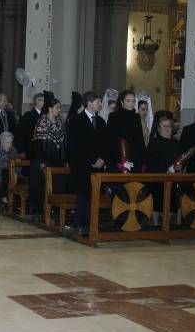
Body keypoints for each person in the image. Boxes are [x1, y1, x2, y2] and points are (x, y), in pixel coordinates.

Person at [66, 91, 108, 234]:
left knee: (94, 196)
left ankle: (92, 224)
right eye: (98, 102)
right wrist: (91, 160)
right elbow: (76, 145)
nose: (101, 104)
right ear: (89, 103)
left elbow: (105, 144)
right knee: (82, 196)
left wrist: (103, 158)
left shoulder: (101, 122)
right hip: (82, 165)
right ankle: (79, 224)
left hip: (98, 166)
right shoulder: (76, 120)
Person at [29, 92, 66, 216]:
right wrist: (42, 162)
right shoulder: (42, 122)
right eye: (57, 108)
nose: (59, 110)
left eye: (60, 108)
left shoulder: (60, 122)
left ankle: (55, 209)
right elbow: (38, 145)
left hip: (57, 162)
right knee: (41, 184)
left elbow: (64, 142)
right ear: (50, 109)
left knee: (59, 184)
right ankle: (41, 209)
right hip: (43, 161)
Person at [106, 90, 146, 173]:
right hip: (118, 158)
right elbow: (111, 140)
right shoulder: (114, 116)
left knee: (135, 185)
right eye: (128, 101)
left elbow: (140, 139)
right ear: (121, 102)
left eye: (133, 101)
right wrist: (119, 161)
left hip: (135, 158)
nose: (131, 103)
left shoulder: (136, 117)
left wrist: (143, 161)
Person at [0, 132, 19, 205]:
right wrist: (12, 168)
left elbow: (18, 164)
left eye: (11, 142)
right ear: (2, 142)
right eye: (7, 142)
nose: (9, 145)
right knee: (5, 173)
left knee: (22, 180)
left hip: (11, 173)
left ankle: (16, 201)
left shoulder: (13, 149)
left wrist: (15, 172)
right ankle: (3, 196)